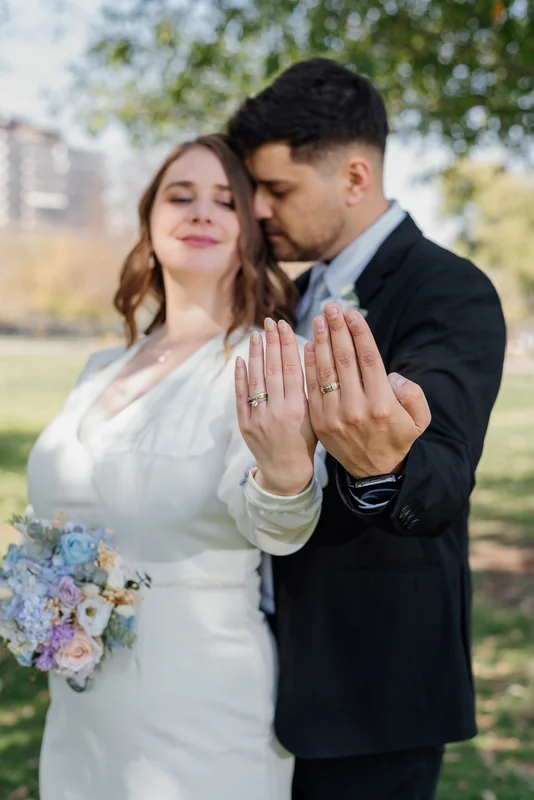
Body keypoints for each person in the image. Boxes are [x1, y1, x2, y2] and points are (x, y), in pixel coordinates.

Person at [228, 58, 507, 799]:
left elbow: (442, 469)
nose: (258, 209)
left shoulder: (450, 290)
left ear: (354, 178)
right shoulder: (281, 294)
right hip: (255, 681)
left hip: (374, 692)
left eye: (278, 189)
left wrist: (385, 468)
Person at [29, 134, 325, 800]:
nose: (200, 213)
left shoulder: (267, 361)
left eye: (226, 201)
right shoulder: (101, 366)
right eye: (180, 195)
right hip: (80, 699)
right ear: (149, 222)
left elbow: (279, 528)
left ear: (249, 233)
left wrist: (287, 475)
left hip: (199, 694)